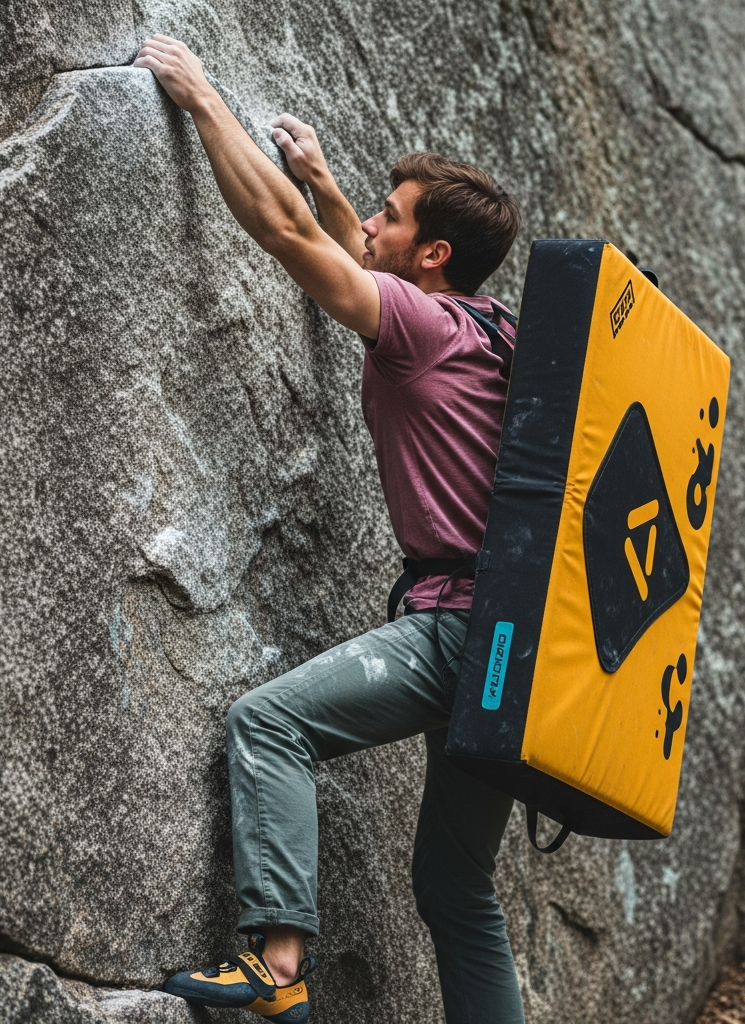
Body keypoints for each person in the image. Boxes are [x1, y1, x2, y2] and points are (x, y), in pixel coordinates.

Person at [133, 35, 524, 1024]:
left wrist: (201, 100)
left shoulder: (421, 327)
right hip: (524, 648)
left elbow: (287, 240)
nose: (373, 225)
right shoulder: (492, 327)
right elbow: (360, 256)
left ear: (432, 256)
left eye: (392, 217)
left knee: (270, 722)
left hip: (456, 631)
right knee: (452, 882)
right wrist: (322, 177)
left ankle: (276, 966)